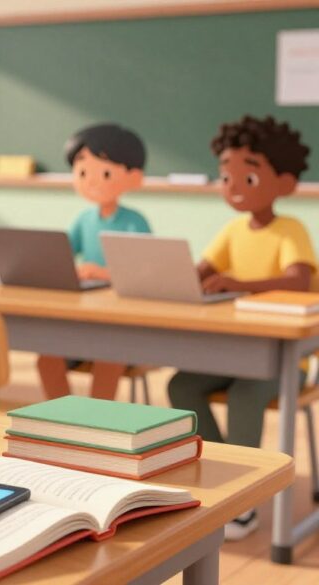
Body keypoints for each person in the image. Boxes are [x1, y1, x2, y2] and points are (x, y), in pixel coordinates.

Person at [168, 115, 314, 541]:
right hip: (234, 353)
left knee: (245, 394)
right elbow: (203, 269)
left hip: (286, 359)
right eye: (225, 175)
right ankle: (219, 474)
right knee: (182, 386)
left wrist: (240, 284)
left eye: (246, 175)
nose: (233, 185)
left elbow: (298, 280)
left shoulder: (291, 229)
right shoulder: (232, 230)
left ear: (284, 183)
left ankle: (243, 502)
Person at [37, 123, 152, 400]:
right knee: (47, 359)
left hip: (121, 325)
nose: (92, 181)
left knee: (108, 360)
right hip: (83, 318)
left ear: (133, 177)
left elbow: (145, 272)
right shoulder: (84, 220)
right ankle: (62, 419)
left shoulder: (134, 223)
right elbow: (61, 254)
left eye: (105, 173)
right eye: (83, 172)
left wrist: (103, 273)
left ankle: (97, 426)